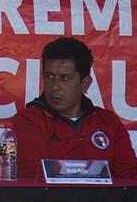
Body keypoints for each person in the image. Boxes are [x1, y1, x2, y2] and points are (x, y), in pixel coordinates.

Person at [14, 37, 137, 179]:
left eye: (65, 78)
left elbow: (130, 177)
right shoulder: (29, 120)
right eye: (49, 76)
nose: (55, 87)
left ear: (85, 84)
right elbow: (34, 179)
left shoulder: (109, 121)